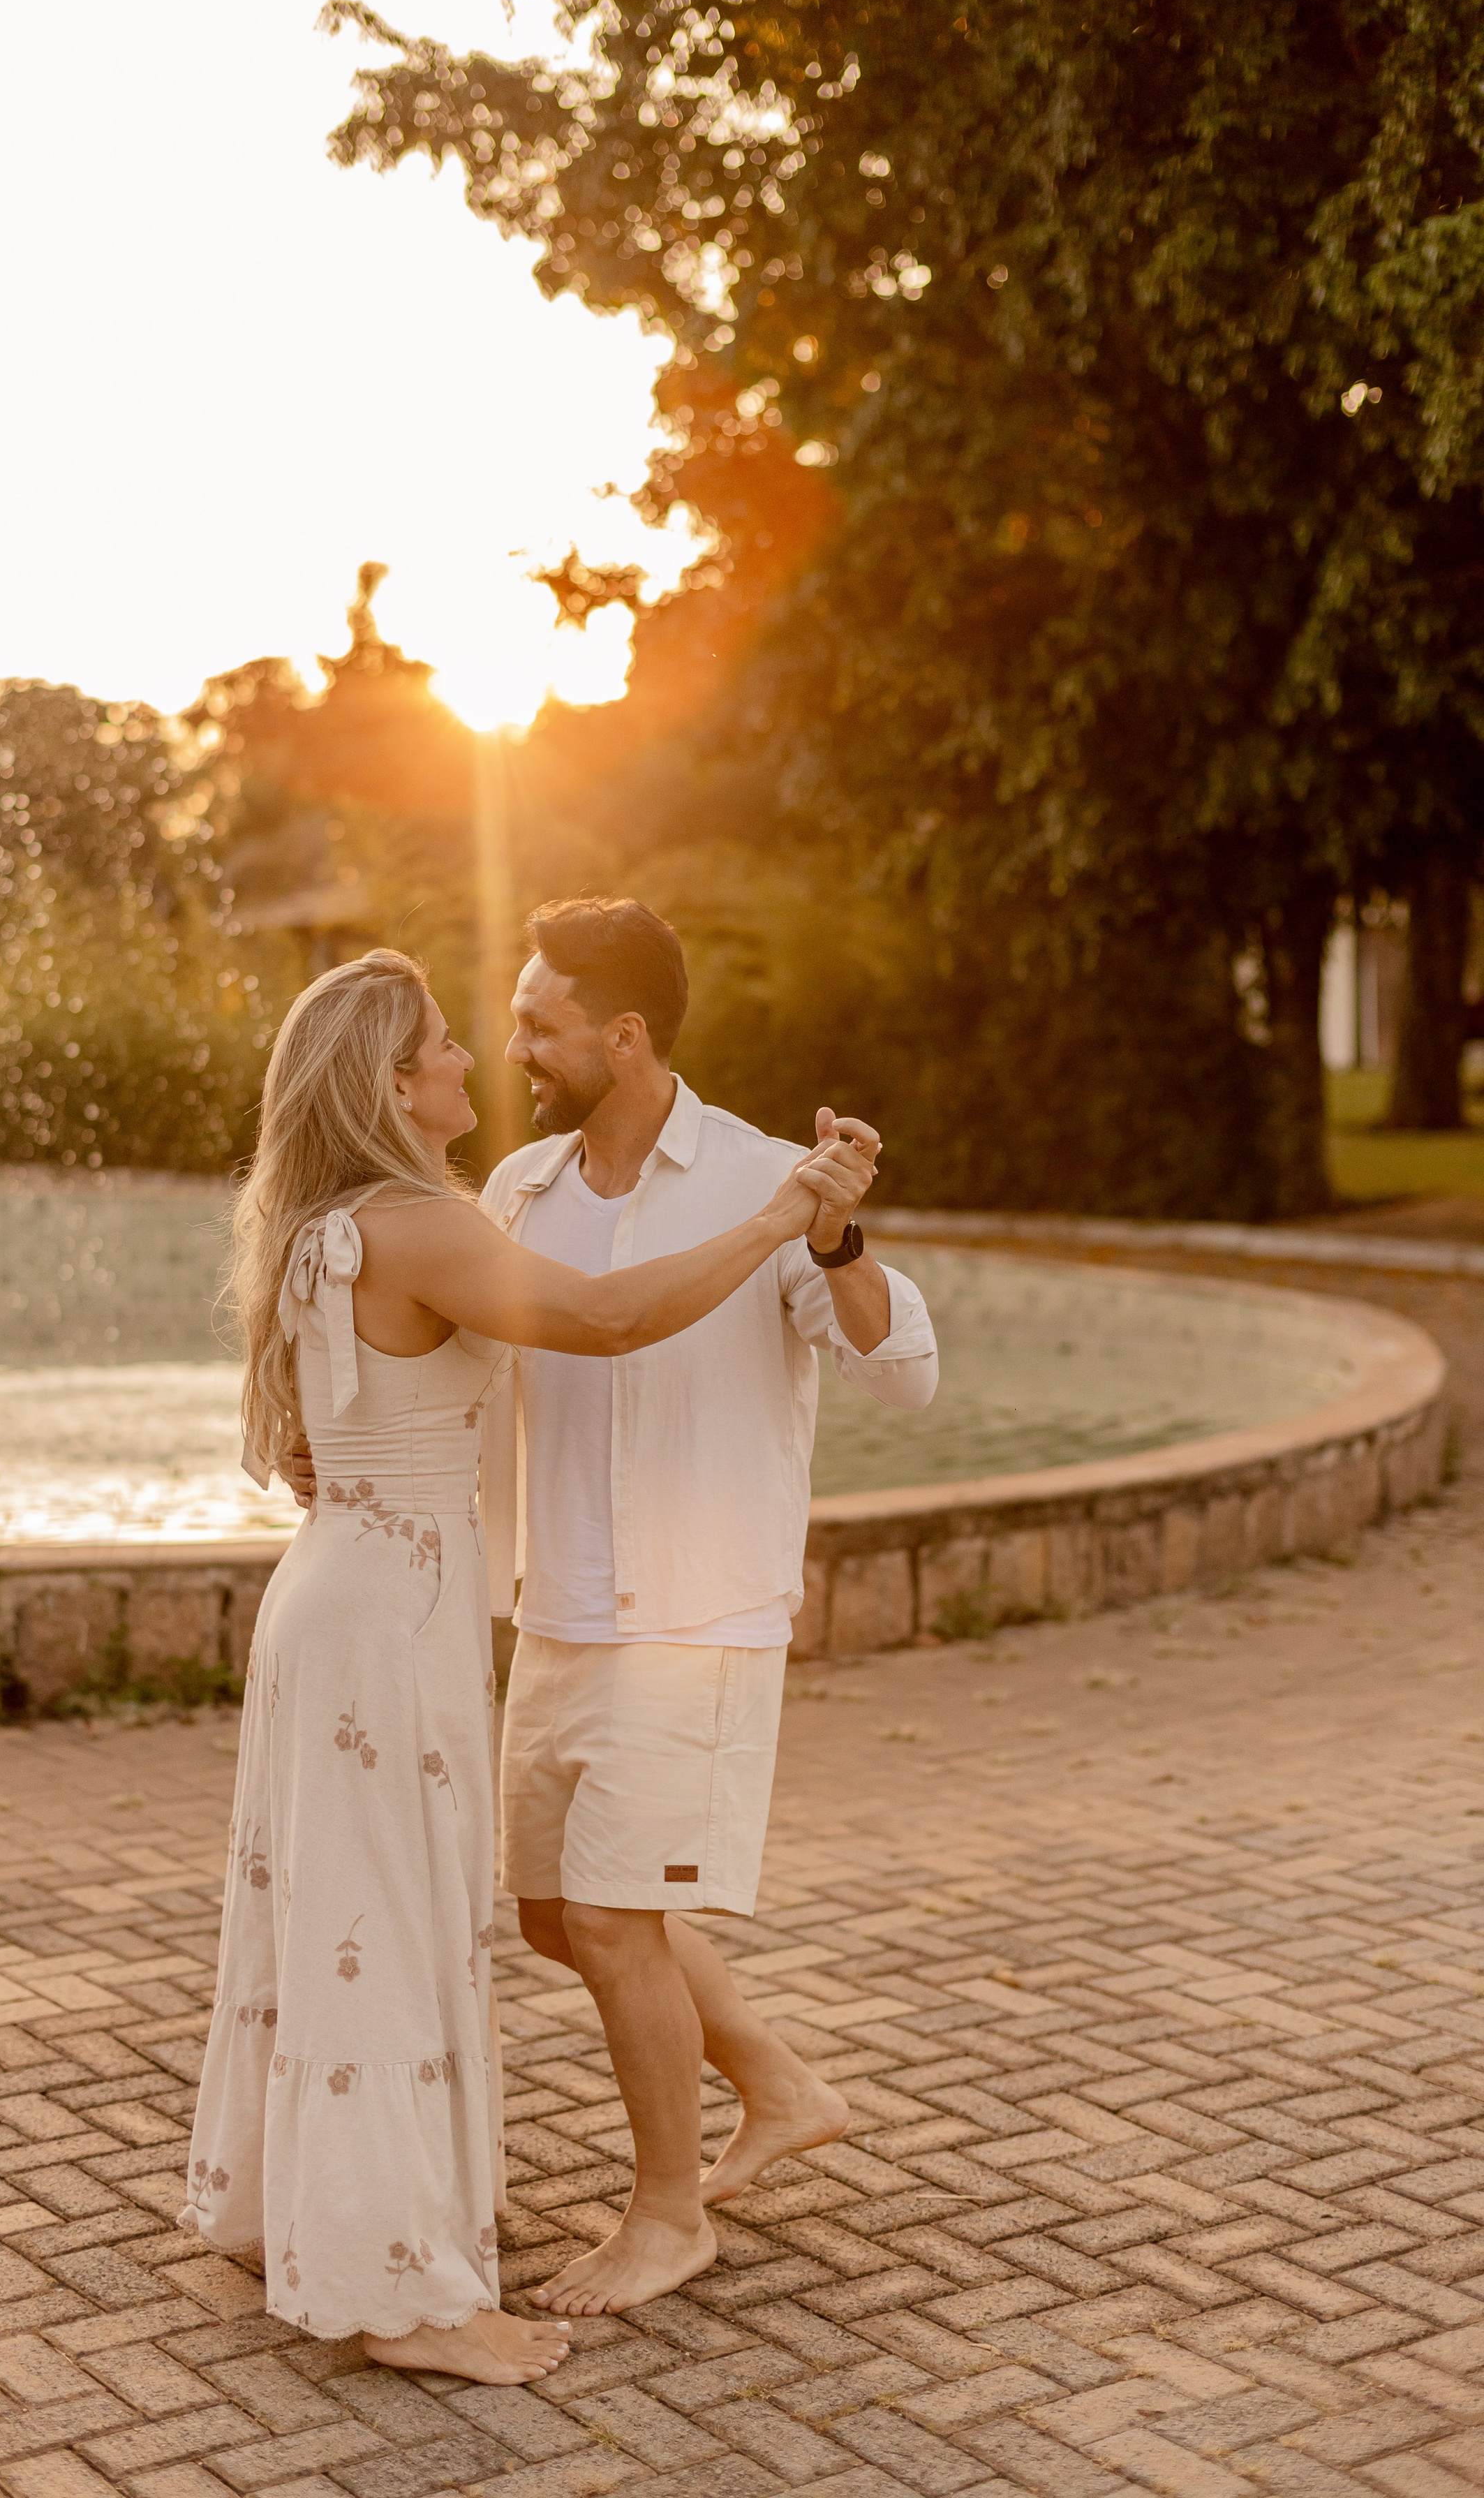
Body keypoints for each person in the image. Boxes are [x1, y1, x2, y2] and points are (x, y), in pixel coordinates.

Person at [179, 947, 862, 2386]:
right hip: (390, 1617)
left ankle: (279, 2211)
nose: (466, 1065)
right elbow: (606, 1324)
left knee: (325, 1920)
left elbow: (332, 1429)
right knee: (388, 1932)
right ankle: (401, 2299)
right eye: (436, 1046)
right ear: (388, 1085)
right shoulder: (419, 1222)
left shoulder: (315, 1224)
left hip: (332, 1597)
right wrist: (772, 1215)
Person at [480, 897, 939, 2319]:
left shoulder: (766, 1182)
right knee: (554, 1917)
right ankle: (779, 2083)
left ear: (621, 1035)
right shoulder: (518, 1192)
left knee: (619, 1924)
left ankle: (668, 2217)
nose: (515, 1046)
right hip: (554, 1607)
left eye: (539, 1023)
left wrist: (843, 1241)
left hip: (692, 1615)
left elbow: (899, 1372)